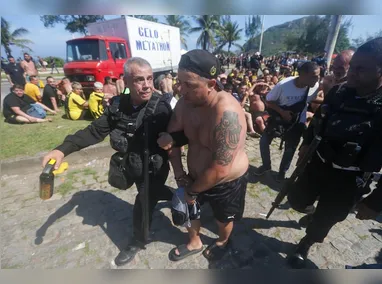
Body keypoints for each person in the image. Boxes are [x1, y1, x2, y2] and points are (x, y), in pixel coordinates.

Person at [41, 57, 174, 267]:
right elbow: (94, 131)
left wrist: (173, 139)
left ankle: (138, 240)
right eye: (140, 80)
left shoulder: (162, 107)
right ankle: (174, 196)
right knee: (151, 193)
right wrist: (61, 150)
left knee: (143, 203)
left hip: (154, 166)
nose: (147, 85)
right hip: (131, 162)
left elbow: (185, 133)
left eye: (150, 78)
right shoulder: (118, 105)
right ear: (127, 81)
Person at [287, 37, 382, 268]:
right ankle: (312, 213)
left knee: (328, 217)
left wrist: (376, 203)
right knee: (296, 199)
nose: (351, 74)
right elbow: (318, 119)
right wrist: (305, 145)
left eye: (361, 70)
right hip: (318, 163)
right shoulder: (339, 91)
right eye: (353, 67)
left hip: (350, 178)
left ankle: (307, 242)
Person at [157, 49, 249, 262]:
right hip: (194, 176)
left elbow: (220, 168)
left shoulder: (226, 113)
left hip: (226, 181)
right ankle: (194, 241)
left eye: (190, 84)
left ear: (212, 85)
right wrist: (180, 175)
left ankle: (223, 241)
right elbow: (172, 138)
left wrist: (191, 191)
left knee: (223, 218)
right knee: (190, 209)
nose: (181, 89)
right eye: (179, 82)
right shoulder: (184, 104)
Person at [254, 62, 321, 182]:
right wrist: (282, 112)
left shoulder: (314, 86)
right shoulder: (283, 85)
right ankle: (266, 166)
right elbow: (269, 101)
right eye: (314, 76)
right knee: (264, 140)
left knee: (290, 148)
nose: (317, 79)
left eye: (318, 76)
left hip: (297, 121)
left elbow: (310, 100)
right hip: (279, 118)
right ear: (302, 75)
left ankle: (282, 173)